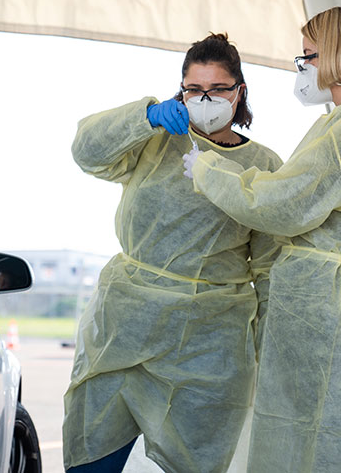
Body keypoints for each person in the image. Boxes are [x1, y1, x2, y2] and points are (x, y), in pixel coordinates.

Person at [184, 6, 341, 472]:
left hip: (331, 303)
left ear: (337, 53)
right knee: (307, 434)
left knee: (327, 438)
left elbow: (287, 203)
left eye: (308, 57)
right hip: (325, 300)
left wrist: (211, 171)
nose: (302, 70)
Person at [63, 33, 283, 473]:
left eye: (218, 89)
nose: (206, 99)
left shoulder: (265, 166)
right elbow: (87, 152)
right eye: (194, 89)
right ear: (179, 92)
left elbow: (270, 266)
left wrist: (272, 349)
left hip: (210, 345)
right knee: (93, 458)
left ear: (240, 93)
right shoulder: (154, 140)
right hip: (125, 330)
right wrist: (145, 118)